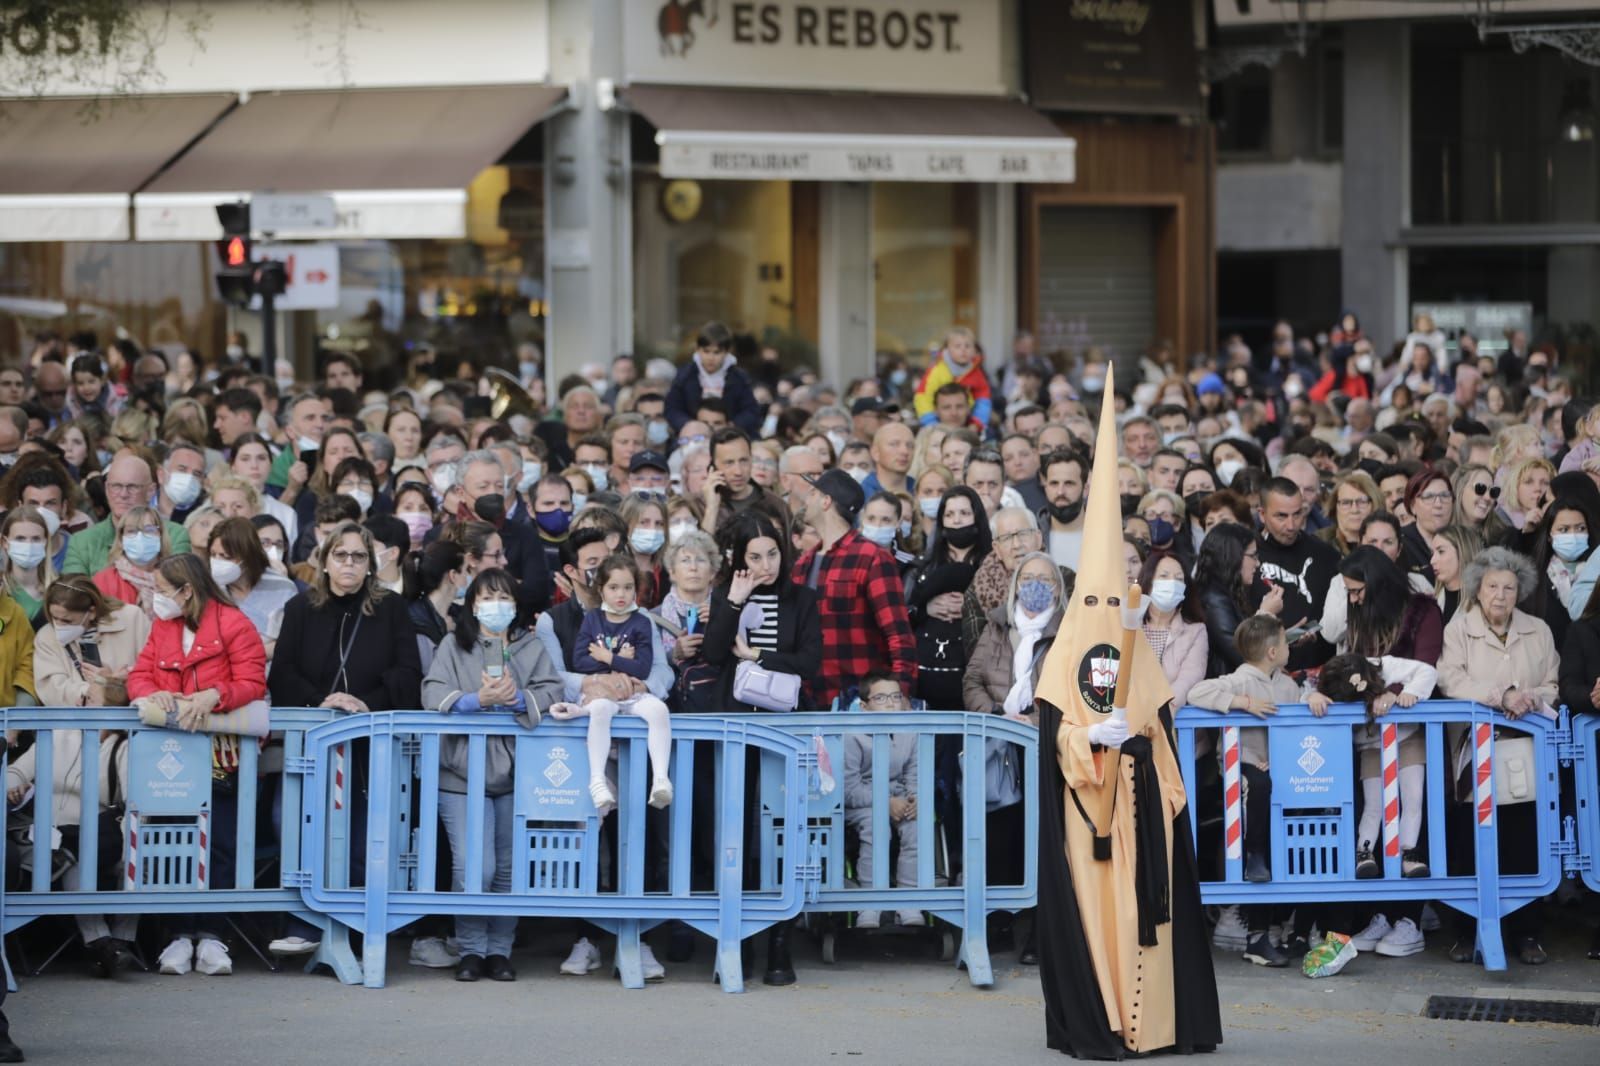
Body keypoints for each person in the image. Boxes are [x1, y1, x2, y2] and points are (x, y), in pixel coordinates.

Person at [1032, 365, 1220, 1057]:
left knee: (1149, 918)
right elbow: (1056, 739)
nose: (1112, 613)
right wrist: (1088, 740)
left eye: (1122, 600)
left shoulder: (1140, 650)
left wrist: (1138, 743)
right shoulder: (1062, 656)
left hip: (1143, 820)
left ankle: (1157, 1023)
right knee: (1097, 915)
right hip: (1089, 822)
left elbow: (1162, 731)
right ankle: (1103, 1016)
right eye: (1100, 601)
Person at [127, 553, 268, 977]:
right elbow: (138, 675)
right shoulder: (163, 628)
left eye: (163, 591)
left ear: (187, 590)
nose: (158, 599)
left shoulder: (234, 623)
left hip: (221, 752)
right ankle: (175, 933)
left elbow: (253, 681)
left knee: (220, 842)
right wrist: (155, 693)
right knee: (172, 840)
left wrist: (215, 694)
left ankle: (211, 933)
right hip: (171, 753)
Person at [421, 567, 563, 982]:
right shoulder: (452, 645)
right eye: (486, 598)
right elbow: (431, 692)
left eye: (503, 597)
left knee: (508, 867)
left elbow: (554, 690)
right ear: (472, 603)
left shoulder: (530, 646)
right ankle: (470, 951)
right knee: (472, 865)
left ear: (515, 605)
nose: (495, 606)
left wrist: (521, 699)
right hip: (460, 772)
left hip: (519, 772)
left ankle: (499, 951)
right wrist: (473, 700)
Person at [1437, 546, 1558, 965]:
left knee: (1523, 837)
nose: (1501, 596)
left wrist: (1529, 698)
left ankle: (1526, 934)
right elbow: (1450, 680)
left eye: (1509, 587)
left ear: (1519, 591)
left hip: (1524, 747)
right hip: (1475, 748)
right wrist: (1498, 695)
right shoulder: (1458, 630)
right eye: (1492, 587)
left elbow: (1553, 683)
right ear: (1477, 589)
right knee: (1469, 840)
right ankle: (1465, 932)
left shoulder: (1539, 630)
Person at [23, 576, 150, 976]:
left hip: (128, 729)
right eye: (54, 616)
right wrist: (87, 690)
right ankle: (102, 943)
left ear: (91, 611)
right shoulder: (47, 637)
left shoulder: (131, 619)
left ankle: (123, 941)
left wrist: (121, 683)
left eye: (68, 618)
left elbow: (151, 667)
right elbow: (50, 687)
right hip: (67, 803)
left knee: (139, 841)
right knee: (70, 851)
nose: (59, 623)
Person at [1188, 615, 1302, 963]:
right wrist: (1242, 704)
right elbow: (1197, 691)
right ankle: (1254, 867)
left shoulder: (1288, 686)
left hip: (1279, 769)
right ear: (1272, 651)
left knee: (1286, 835)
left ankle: (1283, 927)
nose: (1288, 648)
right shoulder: (1239, 680)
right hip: (1244, 769)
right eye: (1285, 643)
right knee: (1263, 833)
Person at [549, 554, 674, 812]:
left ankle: (661, 779)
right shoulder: (593, 619)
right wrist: (617, 661)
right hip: (603, 694)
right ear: (601, 589)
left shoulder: (641, 621)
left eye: (628, 587)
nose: (621, 594)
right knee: (600, 710)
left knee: (659, 711)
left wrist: (608, 657)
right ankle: (597, 779)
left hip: (632, 692)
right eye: (613, 587)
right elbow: (580, 661)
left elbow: (643, 667)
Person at [791, 469, 916, 709]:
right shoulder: (801, 565)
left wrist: (901, 694)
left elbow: (899, 635)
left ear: (826, 501)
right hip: (808, 702)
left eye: (813, 493)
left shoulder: (872, 558)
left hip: (859, 704)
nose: (807, 499)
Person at [1310, 652, 1439, 881]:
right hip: (1370, 746)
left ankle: (1409, 853)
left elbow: (1427, 671)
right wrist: (1313, 697)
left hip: (1407, 737)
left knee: (1413, 797)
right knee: (1373, 804)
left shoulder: (1385, 665)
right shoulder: (1332, 679)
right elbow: (1303, 693)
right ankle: (1364, 852)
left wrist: (1407, 692)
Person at [844, 673, 923, 931]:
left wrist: (915, 798)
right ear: (864, 705)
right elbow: (849, 789)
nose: (890, 703)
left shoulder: (909, 730)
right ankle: (871, 901)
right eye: (880, 698)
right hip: (863, 802)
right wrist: (885, 802)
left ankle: (908, 900)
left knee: (916, 825)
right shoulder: (851, 734)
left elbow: (915, 773)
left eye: (895, 697)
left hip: (899, 796)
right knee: (877, 825)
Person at [905, 486, 990, 711]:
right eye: (950, 514)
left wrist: (971, 606)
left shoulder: (993, 565)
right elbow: (903, 616)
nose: (957, 520)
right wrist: (926, 608)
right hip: (927, 680)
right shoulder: (922, 566)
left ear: (977, 517)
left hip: (978, 680)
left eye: (964, 513)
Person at [63, 450, 190, 574]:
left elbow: (177, 587)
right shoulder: (82, 542)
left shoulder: (175, 536)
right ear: (107, 489)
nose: (123, 494)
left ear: (150, 491)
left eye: (132, 487)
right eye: (116, 486)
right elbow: (72, 592)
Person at [208, 516, 299, 658]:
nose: (217, 562)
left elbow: (292, 641)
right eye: (213, 555)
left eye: (225, 556)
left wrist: (245, 656)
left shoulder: (283, 588)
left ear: (247, 555)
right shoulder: (208, 588)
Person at [1193, 522, 1275, 675]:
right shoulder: (1214, 599)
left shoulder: (1229, 592)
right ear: (1232, 556)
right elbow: (1244, 655)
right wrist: (1265, 614)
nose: (1257, 563)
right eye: (1252, 556)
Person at [658, 529, 720, 712]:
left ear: (712, 572)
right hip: (672, 709)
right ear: (672, 572)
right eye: (685, 560)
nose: (693, 567)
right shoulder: (654, 616)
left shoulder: (727, 612)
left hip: (718, 708)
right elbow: (645, 664)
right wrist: (673, 654)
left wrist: (721, 623)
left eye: (700, 560)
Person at [1137, 550, 1208, 708]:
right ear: (1148, 581)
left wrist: (1165, 708)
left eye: (1179, 579)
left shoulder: (1195, 631)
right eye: (1164, 576)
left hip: (1171, 718)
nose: (1172, 583)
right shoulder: (1130, 625)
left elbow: (1189, 677)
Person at [665, 322, 763, 435]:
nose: (711, 358)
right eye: (706, 351)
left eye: (716, 352)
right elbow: (672, 408)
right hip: (691, 436)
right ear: (697, 349)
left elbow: (751, 411)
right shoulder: (684, 376)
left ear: (726, 352)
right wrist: (690, 425)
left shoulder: (739, 378)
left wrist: (732, 426)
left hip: (730, 435)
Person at [92, 504, 169, 617]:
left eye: (149, 530)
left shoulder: (175, 579)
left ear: (161, 536)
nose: (140, 537)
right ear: (121, 539)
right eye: (131, 531)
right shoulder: (104, 581)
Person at [913, 327, 992, 433]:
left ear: (974, 350)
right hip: (937, 423)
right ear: (947, 349)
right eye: (957, 346)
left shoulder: (976, 373)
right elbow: (922, 397)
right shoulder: (937, 371)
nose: (963, 350)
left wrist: (977, 424)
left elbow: (983, 401)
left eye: (968, 346)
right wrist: (931, 423)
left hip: (966, 423)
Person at [0, 504, 54, 623]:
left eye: (36, 539)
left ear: (45, 542)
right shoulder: (2, 590)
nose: (29, 545)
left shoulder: (60, 589)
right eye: (20, 538)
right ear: (5, 542)